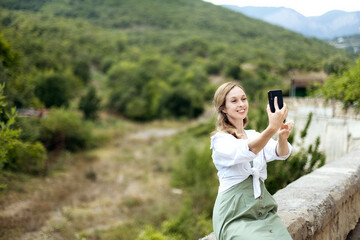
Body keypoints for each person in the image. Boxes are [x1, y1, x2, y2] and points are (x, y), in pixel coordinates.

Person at [211, 82, 294, 240]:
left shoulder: (254, 135)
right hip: (234, 216)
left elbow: (282, 153)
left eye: (244, 99)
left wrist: (281, 137)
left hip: (263, 212)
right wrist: (271, 129)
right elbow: (248, 151)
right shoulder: (220, 140)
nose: (241, 104)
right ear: (223, 108)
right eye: (234, 101)